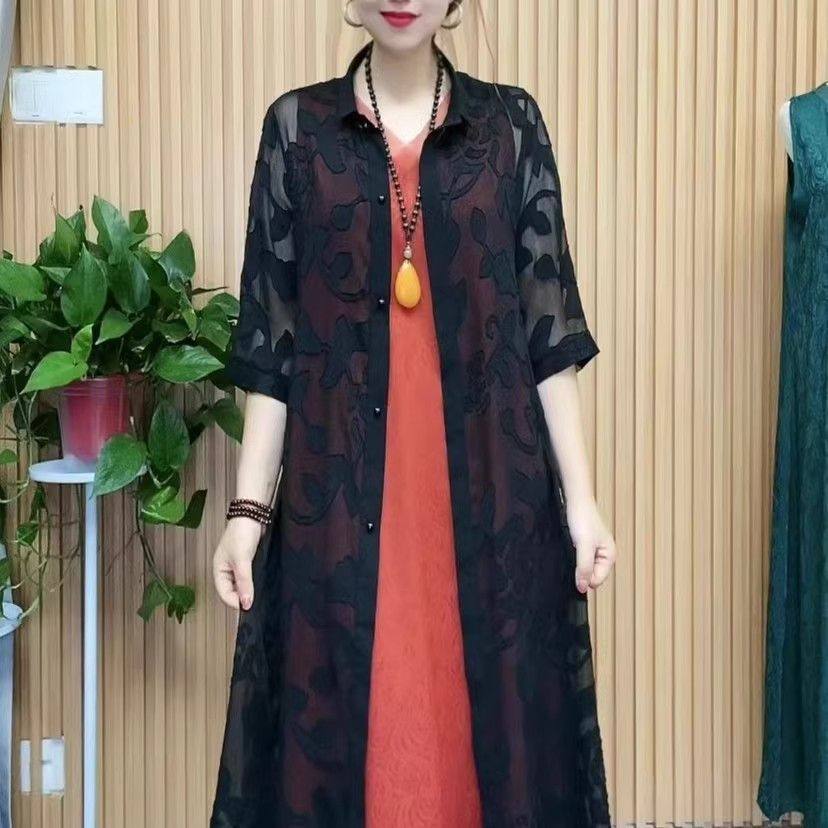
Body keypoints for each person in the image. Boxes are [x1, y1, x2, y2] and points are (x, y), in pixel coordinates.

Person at [210, 2, 617, 826]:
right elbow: (272, 349)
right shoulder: (297, 132)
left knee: (487, 747)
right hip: (340, 511)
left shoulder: (511, 128)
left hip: (490, 505)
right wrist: (248, 515)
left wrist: (582, 503)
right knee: (350, 745)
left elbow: (548, 335)